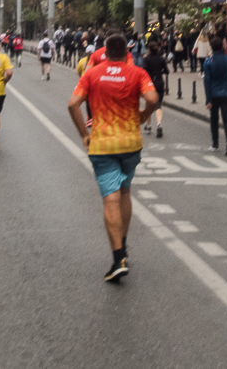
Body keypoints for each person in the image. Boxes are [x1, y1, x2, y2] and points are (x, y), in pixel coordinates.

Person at [67, 33, 159, 283]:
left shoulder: (92, 74)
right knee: (125, 192)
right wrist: (144, 115)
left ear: (105, 52)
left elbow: (73, 104)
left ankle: (118, 258)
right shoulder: (137, 73)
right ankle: (124, 246)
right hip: (131, 144)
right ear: (127, 51)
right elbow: (152, 98)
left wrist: (84, 135)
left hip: (103, 145)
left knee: (111, 199)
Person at [203, 36, 227, 156]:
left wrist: (208, 99)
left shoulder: (208, 62)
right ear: (222, 46)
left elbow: (207, 81)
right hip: (226, 94)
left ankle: (215, 144)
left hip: (213, 95)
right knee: (226, 119)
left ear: (211, 48)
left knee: (214, 120)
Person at [142, 39, 168, 138]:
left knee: (148, 104)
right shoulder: (161, 59)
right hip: (160, 83)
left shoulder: (146, 59)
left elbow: (143, 71)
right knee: (158, 105)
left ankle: (148, 126)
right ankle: (159, 123)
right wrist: (160, 70)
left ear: (149, 49)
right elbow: (167, 71)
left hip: (149, 84)